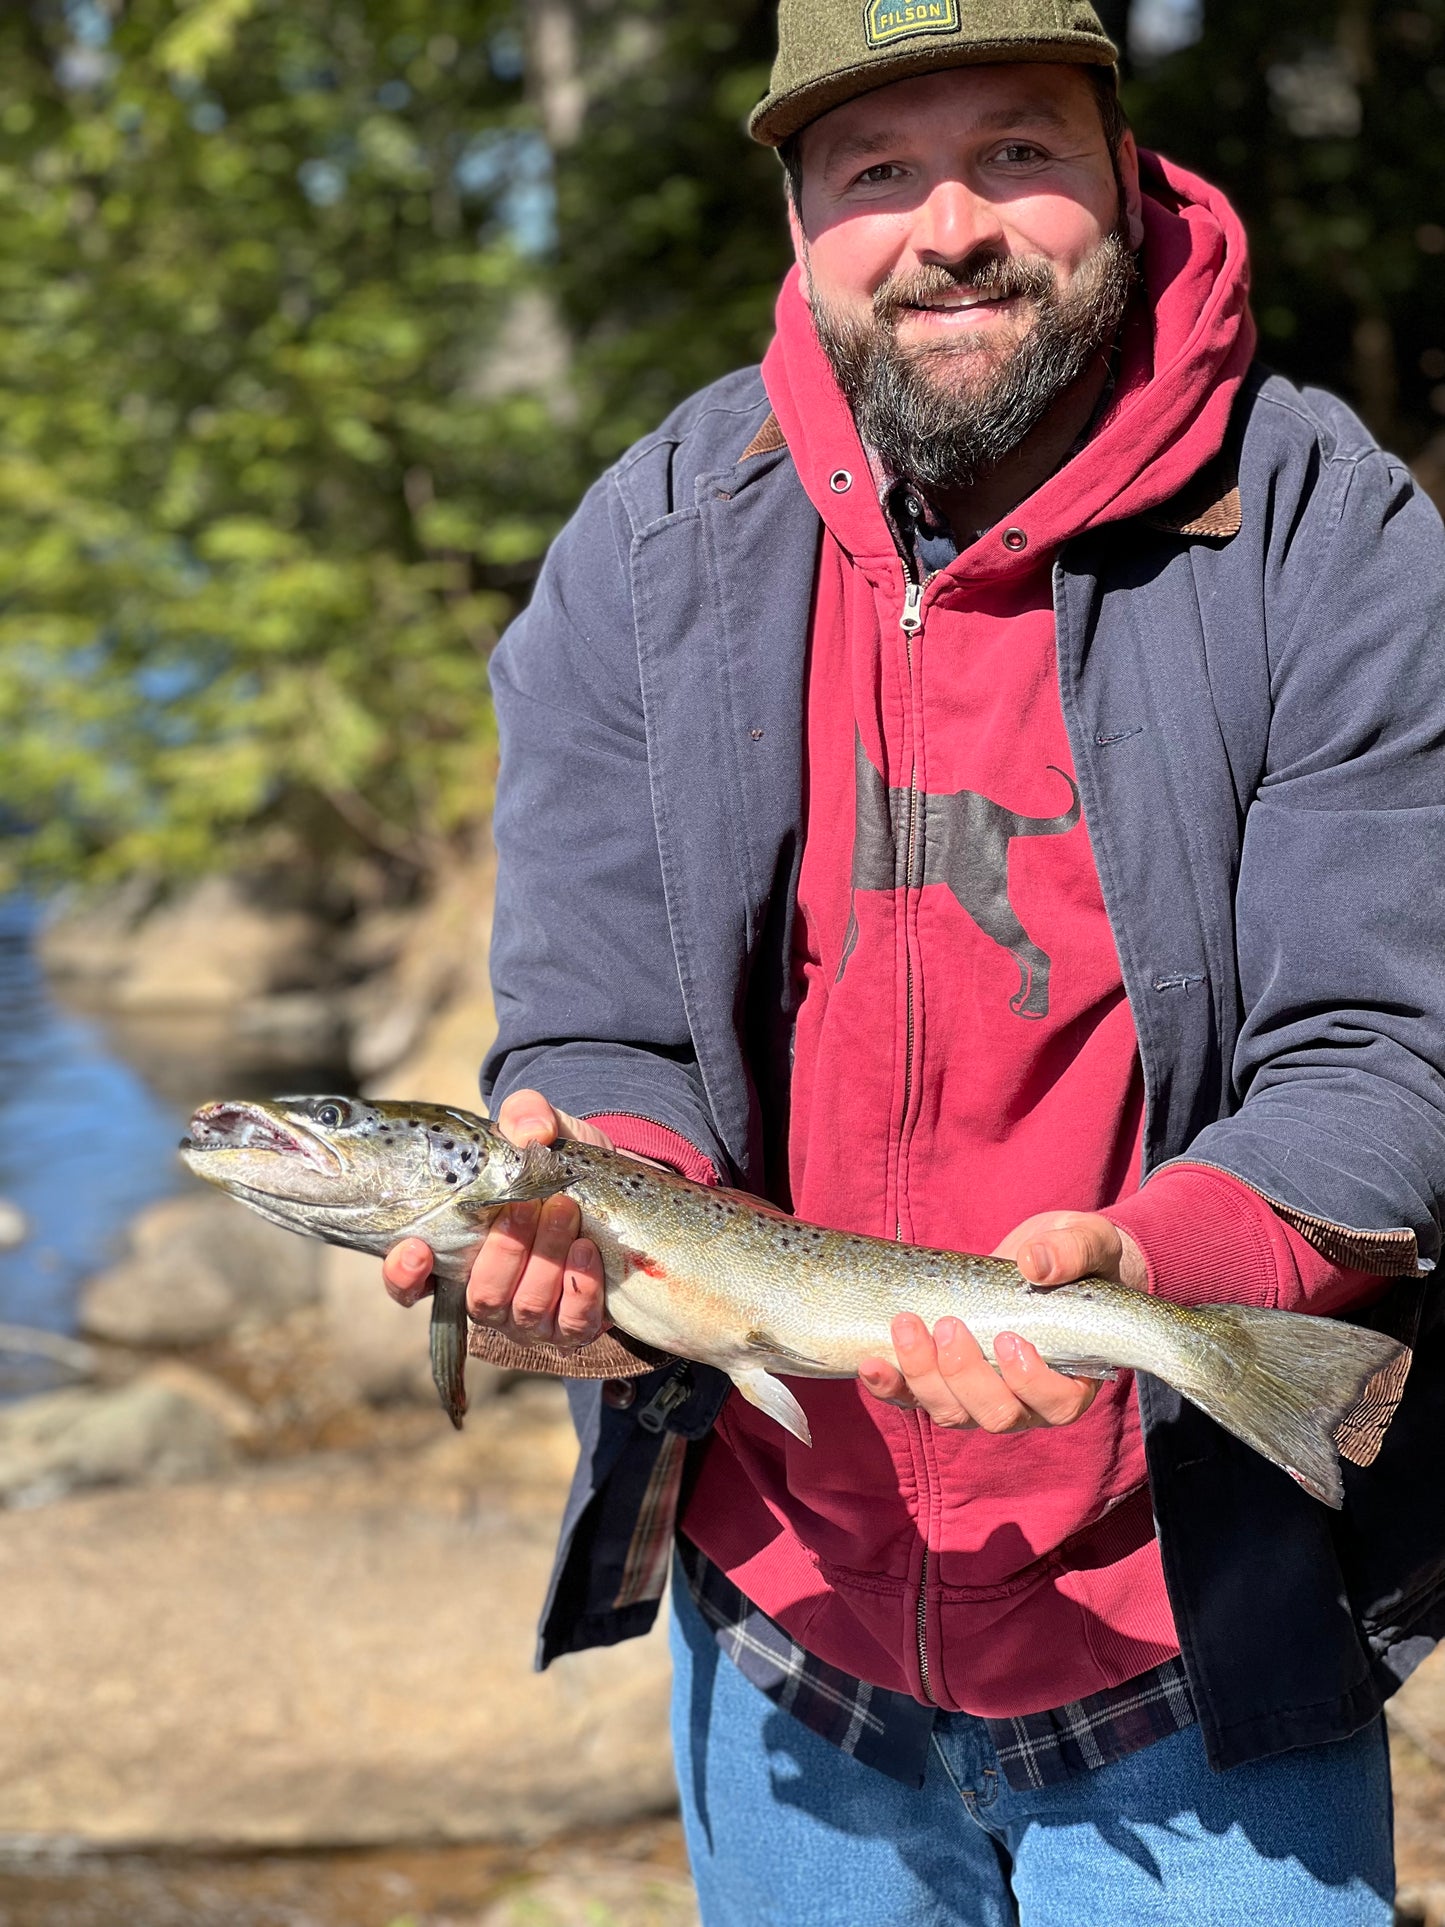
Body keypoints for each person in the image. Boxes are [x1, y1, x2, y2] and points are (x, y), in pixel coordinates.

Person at [382, 5, 1445, 1921]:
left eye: (1016, 149)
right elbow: (602, 1018)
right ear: (796, 217)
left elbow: (1385, 1053)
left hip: (1188, 1634)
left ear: (1122, 171)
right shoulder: (650, 541)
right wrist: (591, 1266)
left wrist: (1150, 1269)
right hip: (780, 1646)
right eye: (875, 170)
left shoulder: (1323, 528)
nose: (946, 222)